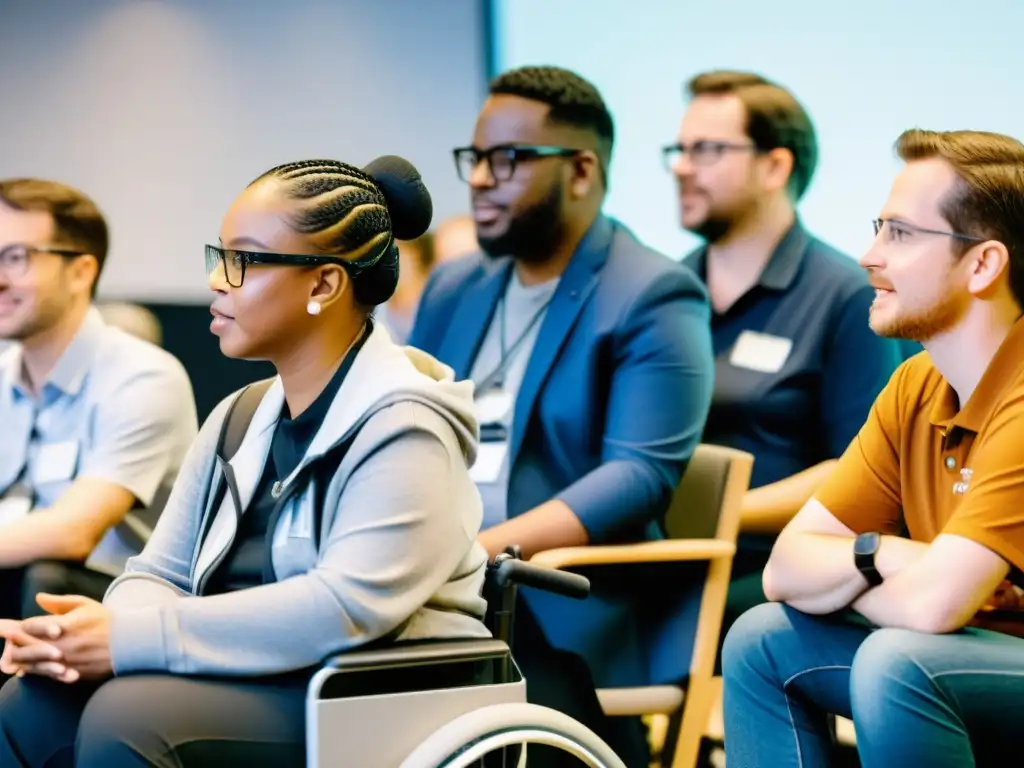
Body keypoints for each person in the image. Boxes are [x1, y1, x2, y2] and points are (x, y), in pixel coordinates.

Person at [0, 156, 490, 767]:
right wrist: (89, 639)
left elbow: (344, 608)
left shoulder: (407, 423)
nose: (217, 282)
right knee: (29, 703)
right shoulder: (239, 414)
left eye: (244, 261)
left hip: (363, 691)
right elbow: (157, 573)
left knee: (126, 720)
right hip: (251, 672)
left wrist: (126, 641)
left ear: (323, 285)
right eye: (219, 257)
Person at [410, 65, 715, 766]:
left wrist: (477, 553)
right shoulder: (457, 284)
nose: (481, 178)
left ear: (581, 170)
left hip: (552, 596)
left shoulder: (655, 293)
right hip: (433, 572)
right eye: (477, 159)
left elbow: (639, 475)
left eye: (508, 160)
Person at [722, 129, 1024, 767]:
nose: (868, 255)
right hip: (968, 647)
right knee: (761, 638)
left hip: (961, 657)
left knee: (902, 660)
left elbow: (934, 604)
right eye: (878, 228)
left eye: (902, 234)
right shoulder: (915, 382)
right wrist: (879, 554)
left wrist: (899, 579)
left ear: (983, 265)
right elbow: (784, 570)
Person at [666, 71, 905, 656]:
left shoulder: (844, 296)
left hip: (768, 563)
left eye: (707, 150)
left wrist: (719, 513)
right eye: (679, 149)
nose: (681, 166)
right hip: (663, 553)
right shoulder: (666, 292)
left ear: (775, 167)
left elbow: (862, 470)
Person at [0, 179, 196, 620]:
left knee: (46, 577)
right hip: (15, 587)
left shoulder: (143, 377)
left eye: (15, 258)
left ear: (82, 271)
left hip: (118, 600)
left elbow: (73, 533)